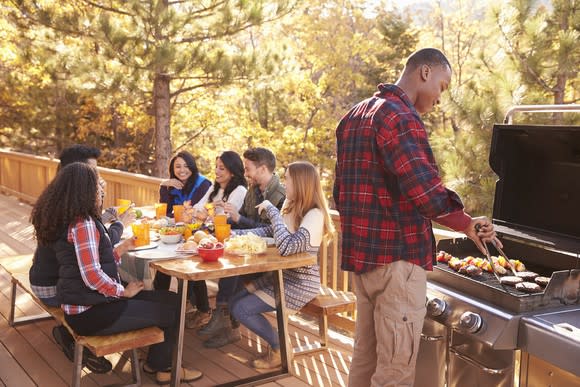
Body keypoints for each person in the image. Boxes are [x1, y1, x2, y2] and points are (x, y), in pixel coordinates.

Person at [333, 48, 501, 387]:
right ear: (425, 72)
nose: (440, 98)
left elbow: (342, 192)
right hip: (397, 263)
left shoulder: (354, 115)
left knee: (365, 358)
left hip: (364, 261)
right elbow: (425, 191)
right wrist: (466, 223)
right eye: (442, 86)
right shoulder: (399, 116)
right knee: (394, 371)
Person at [30, 162, 203, 385]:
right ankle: (164, 368)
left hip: (91, 303)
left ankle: (156, 364)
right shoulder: (84, 224)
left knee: (174, 301)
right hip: (91, 313)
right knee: (174, 312)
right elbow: (92, 275)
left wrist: (121, 249)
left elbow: (89, 262)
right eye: (97, 187)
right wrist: (123, 292)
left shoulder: (73, 219)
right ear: (85, 191)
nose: (102, 191)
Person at [29, 144, 135, 373]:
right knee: (118, 288)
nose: (99, 177)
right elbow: (99, 242)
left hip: (42, 276)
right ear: (76, 171)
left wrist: (103, 206)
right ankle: (73, 338)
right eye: (93, 172)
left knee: (113, 284)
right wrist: (119, 224)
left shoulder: (57, 197)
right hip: (53, 286)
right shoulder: (72, 210)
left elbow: (94, 232)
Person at [229, 161, 334, 369]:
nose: (284, 183)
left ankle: (280, 348)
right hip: (280, 276)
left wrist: (272, 210)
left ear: (300, 183)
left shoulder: (315, 215)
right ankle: (279, 345)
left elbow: (286, 247)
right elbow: (271, 232)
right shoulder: (291, 204)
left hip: (300, 283)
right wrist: (232, 235)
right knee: (234, 301)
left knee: (241, 309)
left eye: (287, 179)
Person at [198, 147, 285, 349]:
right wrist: (225, 219)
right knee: (225, 264)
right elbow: (244, 222)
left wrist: (239, 219)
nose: (244, 173)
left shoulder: (281, 197)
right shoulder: (254, 191)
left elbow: (273, 231)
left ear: (263, 169)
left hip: (271, 260)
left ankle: (225, 321)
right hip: (251, 253)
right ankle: (227, 324)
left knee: (230, 274)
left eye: (248, 169)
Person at [182, 151, 247, 330]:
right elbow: (197, 208)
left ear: (232, 171)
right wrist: (206, 212)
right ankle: (200, 307)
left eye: (222, 168)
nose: (217, 172)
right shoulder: (215, 187)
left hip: (229, 240)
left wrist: (207, 214)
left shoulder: (239, 190)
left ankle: (217, 314)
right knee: (188, 260)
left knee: (195, 262)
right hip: (209, 237)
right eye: (216, 167)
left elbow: (225, 219)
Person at [154, 151, 212, 315]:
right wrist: (165, 185)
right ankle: (160, 304)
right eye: (177, 166)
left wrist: (173, 221)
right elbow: (165, 212)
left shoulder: (203, 185)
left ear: (192, 167)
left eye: (186, 166)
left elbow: (192, 213)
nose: (182, 170)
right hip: (177, 232)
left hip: (198, 232)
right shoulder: (173, 185)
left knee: (189, 267)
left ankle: (201, 309)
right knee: (163, 264)